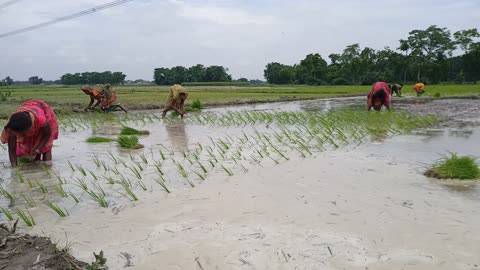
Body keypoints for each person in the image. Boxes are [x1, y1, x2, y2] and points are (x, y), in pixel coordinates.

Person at [1, 100, 59, 167]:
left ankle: (47, 168)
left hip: (43, 120)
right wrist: (14, 167)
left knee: (45, 149)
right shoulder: (12, 127)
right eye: (19, 134)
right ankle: (35, 162)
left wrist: (38, 149)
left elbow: (47, 135)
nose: (20, 136)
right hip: (27, 119)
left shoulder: (41, 120)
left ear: (30, 128)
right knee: (28, 149)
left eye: (22, 134)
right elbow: (12, 149)